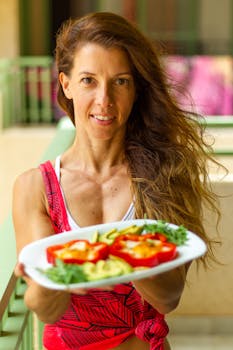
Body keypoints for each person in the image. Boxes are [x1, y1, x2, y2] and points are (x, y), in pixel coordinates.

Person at [13, 12, 220, 350]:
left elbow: (169, 298)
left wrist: (126, 255)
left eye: (120, 81)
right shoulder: (36, 188)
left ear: (136, 88)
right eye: (88, 80)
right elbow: (47, 310)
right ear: (65, 84)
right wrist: (48, 284)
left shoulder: (163, 173)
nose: (104, 100)